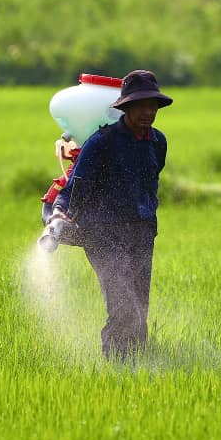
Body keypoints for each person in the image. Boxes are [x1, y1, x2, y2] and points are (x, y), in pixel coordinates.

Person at [51, 70, 172, 360]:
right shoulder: (102, 141)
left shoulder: (158, 142)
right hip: (103, 233)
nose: (147, 112)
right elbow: (76, 185)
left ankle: (139, 364)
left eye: (152, 106)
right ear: (125, 107)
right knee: (123, 308)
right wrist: (59, 212)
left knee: (139, 309)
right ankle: (116, 367)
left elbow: (150, 183)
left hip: (142, 232)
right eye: (140, 106)